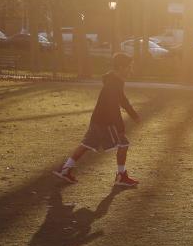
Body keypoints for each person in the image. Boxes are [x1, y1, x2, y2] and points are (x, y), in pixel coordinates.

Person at [53, 53, 141, 186]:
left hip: (97, 119)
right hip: (105, 122)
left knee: (86, 144)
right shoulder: (113, 83)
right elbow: (113, 108)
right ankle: (121, 176)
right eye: (129, 66)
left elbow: (122, 100)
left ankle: (65, 169)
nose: (131, 70)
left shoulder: (115, 81)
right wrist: (120, 129)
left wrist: (134, 115)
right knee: (123, 144)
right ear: (121, 67)